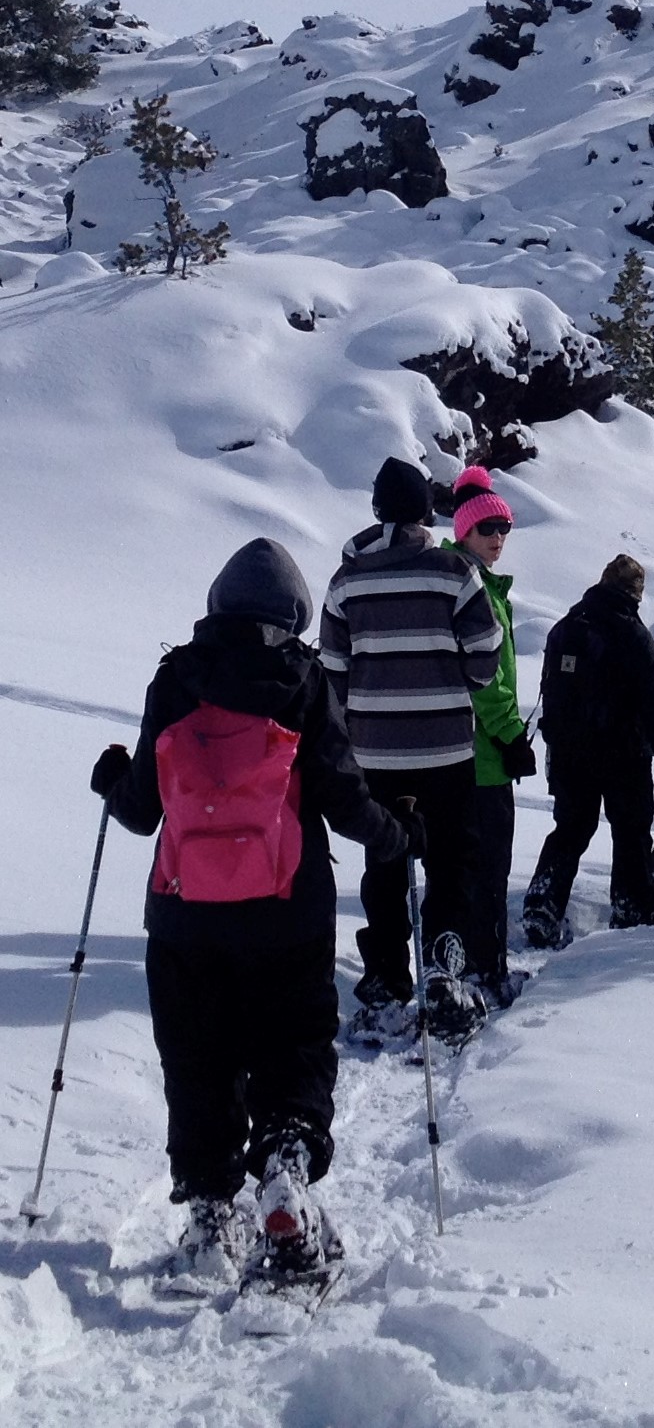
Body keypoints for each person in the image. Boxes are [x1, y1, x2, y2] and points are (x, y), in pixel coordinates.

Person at [88, 538, 407, 1293]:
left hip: (183, 915)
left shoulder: (176, 679)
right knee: (293, 1044)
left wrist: (110, 780)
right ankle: (287, 1172)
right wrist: (399, 836)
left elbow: (140, 809)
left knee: (197, 1060)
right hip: (286, 913)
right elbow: (343, 795)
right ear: (293, 613)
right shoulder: (302, 679)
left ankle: (207, 1218)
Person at [319, 455, 500, 1043]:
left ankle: (384, 978)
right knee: (453, 862)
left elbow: (333, 672)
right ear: (426, 510)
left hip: (374, 754)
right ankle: (445, 973)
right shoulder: (454, 571)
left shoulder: (345, 581)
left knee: (385, 861)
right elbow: (484, 656)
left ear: (375, 509)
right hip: (446, 750)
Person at [523, 554, 654, 946]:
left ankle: (542, 904)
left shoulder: (566, 627)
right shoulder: (635, 634)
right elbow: (653, 702)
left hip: (569, 751)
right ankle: (633, 913)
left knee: (572, 828)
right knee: (631, 833)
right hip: (623, 753)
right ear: (635, 593)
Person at [445, 465, 538, 1008]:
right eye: (487, 529)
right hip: (481, 758)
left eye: (504, 528)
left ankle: (458, 970)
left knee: (459, 874)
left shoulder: (466, 578)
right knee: (487, 871)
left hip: (455, 756)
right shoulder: (472, 586)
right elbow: (484, 677)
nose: (498, 539)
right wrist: (510, 736)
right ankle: (487, 972)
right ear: (464, 530)